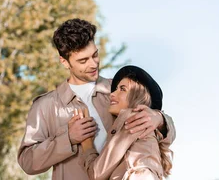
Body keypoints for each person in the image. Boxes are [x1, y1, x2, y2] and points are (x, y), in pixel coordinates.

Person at [16, 18, 175, 180]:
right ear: (64, 62)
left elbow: (160, 133)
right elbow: (27, 162)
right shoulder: (45, 106)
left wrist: (159, 119)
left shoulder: (119, 90)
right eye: (83, 60)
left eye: (95, 55)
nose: (93, 64)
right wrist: (68, 138)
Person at [78, 65, 173, 180]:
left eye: (122, 89)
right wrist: (160, 118)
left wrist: (87, 144)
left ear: (138, 97)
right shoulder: (148, 126)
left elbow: (97, 173)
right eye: (116, 89)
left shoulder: (132, 121)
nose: (112, 94)